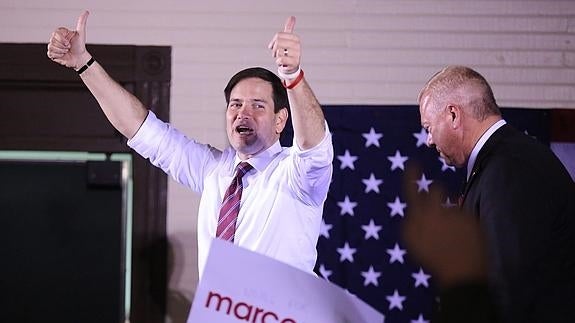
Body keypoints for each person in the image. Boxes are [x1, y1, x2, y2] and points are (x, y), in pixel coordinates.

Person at [46, 11, 333, 278]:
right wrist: (84, 64)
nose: (243, 113)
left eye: (257, 105)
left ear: (280, 120)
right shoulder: (214, 171)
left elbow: (313, 147)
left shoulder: (296, 176)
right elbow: (141, 129)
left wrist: (292, 76)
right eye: (235, 104)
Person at [415, 65, 575, 322]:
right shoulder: (505, 159)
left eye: (429, 127)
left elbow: (506, 290)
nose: (429, 140)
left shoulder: (508, 168)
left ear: (453, 115)